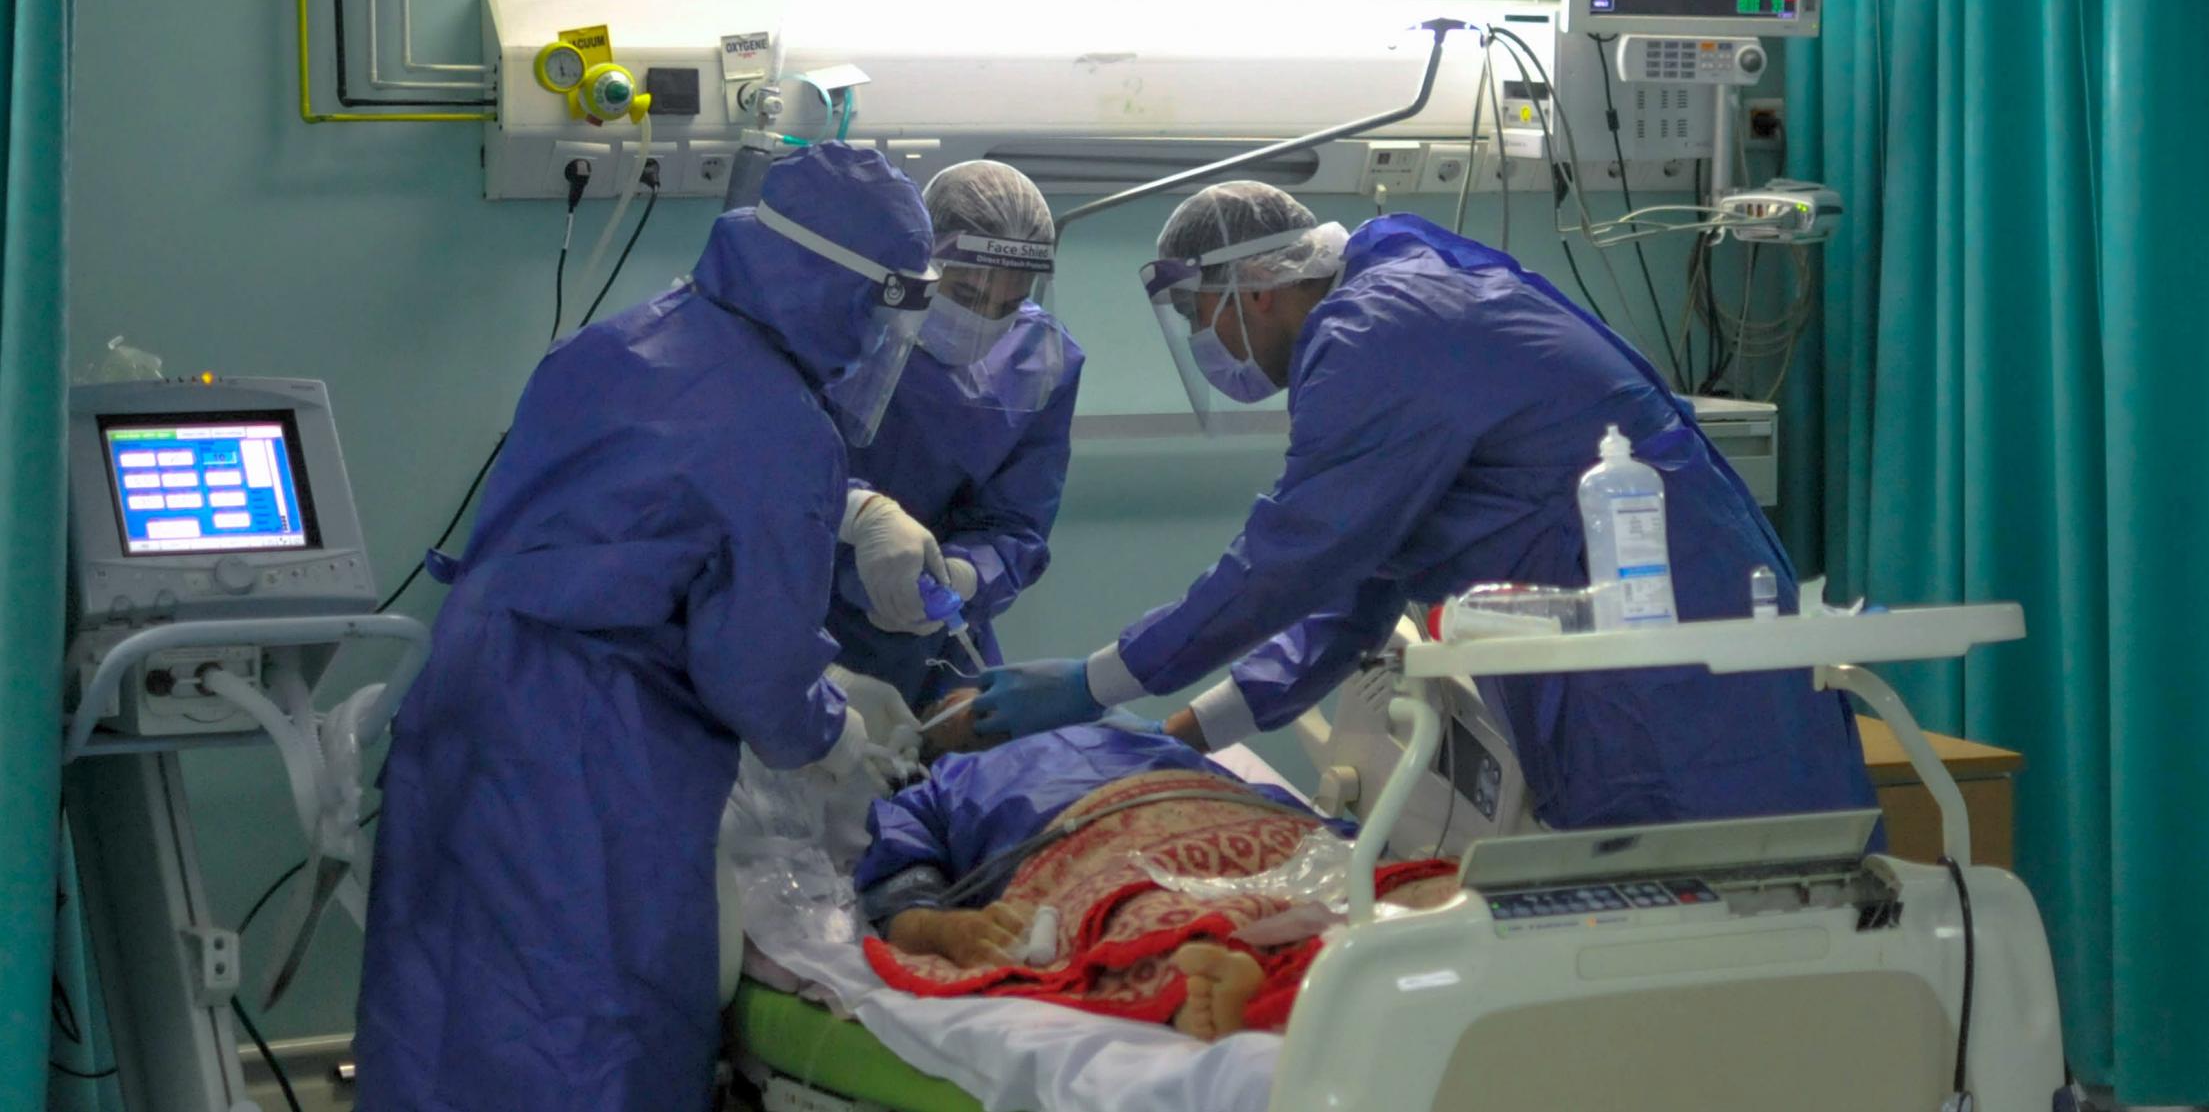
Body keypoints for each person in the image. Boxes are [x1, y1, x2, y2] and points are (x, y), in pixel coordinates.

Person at [971, 182, 1874, 834]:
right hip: (1636, 644)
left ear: (1259, 288)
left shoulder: (1376, 331)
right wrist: (1187, 736)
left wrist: (1099, 679)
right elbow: (1354, 589)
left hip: (1674, 664)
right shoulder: (1395, 310)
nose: (1207, 342)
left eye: (1203, 314)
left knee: (1740, 917)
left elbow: (1293, 555)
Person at [357, 144, 940, 1112]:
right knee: (580, 1034)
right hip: (593, 759)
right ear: (844, 290)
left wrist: (848, 506)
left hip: (467, 700)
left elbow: (643, 497)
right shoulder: (786, 427)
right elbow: (753, 673)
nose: (885, 333)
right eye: (889, 304)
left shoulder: (625, 341)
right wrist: (836, 736)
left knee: (442, 1010)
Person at [854, 699, 1449, 1042]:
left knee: (1367, 880)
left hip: (1223, 812)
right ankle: (1237, 992)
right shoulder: (941, 785)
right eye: (947, 703)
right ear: (927, 740)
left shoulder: (1138, 736)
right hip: (1095, 843)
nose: (975, 696)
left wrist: (1349, 847)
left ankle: (1437, 918)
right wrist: (942, 930)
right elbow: (899, 879)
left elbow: (1256, 794)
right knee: (1143, 912)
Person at [828, 161, 1082, 710]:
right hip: (794, 611)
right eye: (966, 294)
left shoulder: (1039, 360)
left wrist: (967, 577)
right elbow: (762, 462)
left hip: (932, 641)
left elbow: (1016, 520)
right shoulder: (847, 320)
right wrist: (856, 514)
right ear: (924, 256)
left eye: (1008, 306)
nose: (985, 319)